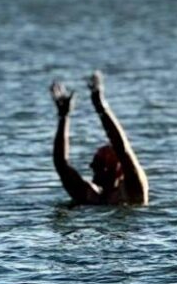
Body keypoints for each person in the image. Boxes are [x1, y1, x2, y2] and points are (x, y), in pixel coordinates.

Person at [49, 70, 149, 206]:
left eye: (99, 164)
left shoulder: (134, 191)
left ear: (119, 170)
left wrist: (101, 107)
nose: (92, 167)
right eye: (94, 163)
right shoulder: (89, 194)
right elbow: (61, 163)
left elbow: (123, 149)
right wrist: (63, 117)